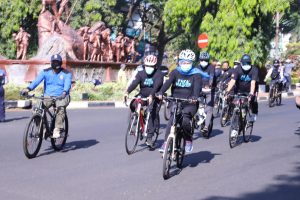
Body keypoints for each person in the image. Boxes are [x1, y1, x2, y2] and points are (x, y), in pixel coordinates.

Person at [157, 49, 202, 153]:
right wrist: (160, 92)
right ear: (179, 62)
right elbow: (168, 83)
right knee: (172, 120)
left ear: (192, 63)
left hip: (190, 103)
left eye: (188, 62)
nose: (185, 64)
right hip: (176, 100)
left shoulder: (196, 74)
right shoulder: (175, 72)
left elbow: (197, 87)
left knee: (185, 120)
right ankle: (165, 143)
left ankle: (188, 140)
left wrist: (195, 96)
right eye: (183, 62)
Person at [21, 54, 72, 138]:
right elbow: (36, 81)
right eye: (54, 62)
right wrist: (28, 89)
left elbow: (67, 84)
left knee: (60, 108)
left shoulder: (66, 74)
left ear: (60, 63)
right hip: (48, 96)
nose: (56, 64)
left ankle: (57, 129)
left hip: (61, 96)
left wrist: (64, 92)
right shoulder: (45, 72)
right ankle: (43, 128)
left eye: (57, 62)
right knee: (37, 109)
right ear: (51, 63)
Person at [124, 55, 164, 148]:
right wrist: (127, 92)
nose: (149, 68)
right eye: (147, 66)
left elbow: (156, 86)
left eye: (151, 66)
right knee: (134, 104)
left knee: (152, 112)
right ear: (144, 65)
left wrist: (151, 95)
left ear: (155, 66)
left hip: (155, 96)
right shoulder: (141, 73)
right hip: (143, 95)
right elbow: (134, 83)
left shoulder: (159, 74)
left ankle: (149, 137)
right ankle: (140, 118)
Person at [226, 54, 258, 122]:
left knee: (253, 101)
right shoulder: (237, 69)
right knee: (232, 101)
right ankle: (234, 117)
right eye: (244, 63)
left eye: (248, 63)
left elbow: (253, 82)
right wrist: (227, 91)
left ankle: (254, 114)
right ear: (241, 63)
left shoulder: (254, 69)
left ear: (250, 63)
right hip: (239, 90)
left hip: (250, 90)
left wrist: (251, 93)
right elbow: (232, 81)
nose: (246, 64)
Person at [197, 51, 215, 134]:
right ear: (199, 60)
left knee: (210, 109)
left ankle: (206, 127)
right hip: (199, 89)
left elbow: (211, 76)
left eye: (206, 60)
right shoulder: (197, 67)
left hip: (209, 90)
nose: (204, 62)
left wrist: (209, 84)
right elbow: (194, 78)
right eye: (202, 60)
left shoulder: (211, 67)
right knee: (194, 104)